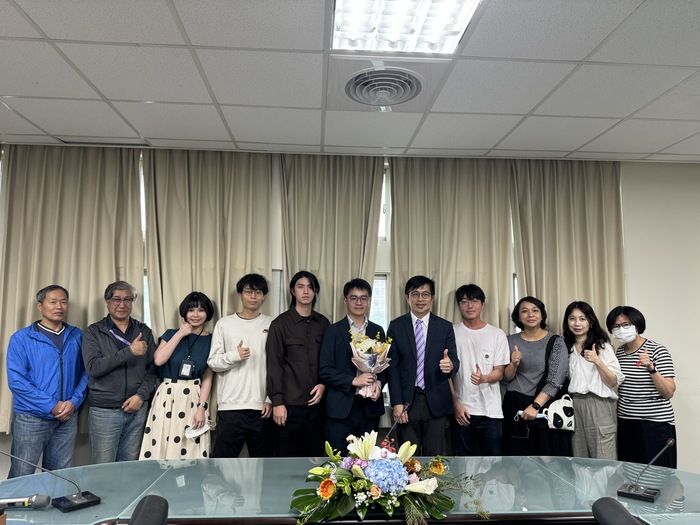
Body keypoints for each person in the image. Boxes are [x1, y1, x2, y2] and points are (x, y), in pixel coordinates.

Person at [6, 285, 88, 478]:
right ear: (40, 306)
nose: (59, 306)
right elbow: (17, 382)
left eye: (63, 301)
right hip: (31, 418)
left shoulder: (78, 336)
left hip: (67, 417)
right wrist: (51, 405)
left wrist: (73, 403)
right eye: (53, 302)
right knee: (22, 474)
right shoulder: (21, 338)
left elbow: (87, 373)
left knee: (58, 475)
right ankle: (13, 509)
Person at [82, 281, 158, 463]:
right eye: (116, 299)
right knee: (103, 466)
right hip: (104, 411)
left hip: (137, 409)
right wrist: (129, 351)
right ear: (107, 302)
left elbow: (154, 369)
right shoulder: (94, 332)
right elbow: (93, 367)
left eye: (128, 300)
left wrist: (141, 396)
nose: (122, 305)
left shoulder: (143, 331)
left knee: (129, 466)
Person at [386, 275, 459, 456]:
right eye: (415, 294)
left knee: (434, 458)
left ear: (432, 298)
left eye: (425, 294)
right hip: (406, 402)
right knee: (407, 460)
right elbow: (391, 367)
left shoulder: (444, 326)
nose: (420, 299)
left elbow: (455, 361)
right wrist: (396, 402)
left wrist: (449, 365)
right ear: (407, 297)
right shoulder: (396, 326)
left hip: (436, 401)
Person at [140, 292, 215, 459]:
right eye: (191, 310)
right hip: (167, 395)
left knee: (190, 446)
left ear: (208, 313)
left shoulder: (212, 340)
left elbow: (208, 377)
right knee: (162, 443)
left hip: (193, 397)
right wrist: (180, 333)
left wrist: (202, 407)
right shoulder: (170, 334)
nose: (195, 315)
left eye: (201, 310)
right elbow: (159, 360)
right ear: (184, 313)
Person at [208, 274, 274, 458]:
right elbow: (213, 363)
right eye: (248, 291)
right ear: (240, 295)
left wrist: (270, 398)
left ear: (264, 296)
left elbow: (277, 366)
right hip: (230, 407)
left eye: (258, 292)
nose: (253, 296)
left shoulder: (272, 324)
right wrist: (234, 356)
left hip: (262, 407)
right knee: (221, 464)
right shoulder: (224, 324)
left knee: (264, 466)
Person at [266, 271, 330, 457]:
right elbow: (274, 365)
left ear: (315, 291)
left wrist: (324, 384)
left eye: (310, 287)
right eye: (300, 287)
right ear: (293, 291)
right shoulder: (280, 324)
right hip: (288, 407)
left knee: (316, 462)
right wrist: (277, 402)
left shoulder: (324, 323)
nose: (306, 291)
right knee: (287, 461)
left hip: (318, 407)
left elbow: (329, 362)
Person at [319, 278, 387, 454]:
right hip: (341, 407)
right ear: (345, 301)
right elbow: (325, 370)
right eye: (354, 298)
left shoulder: (377, 330)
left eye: (364, 298)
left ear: (370, 301)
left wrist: (379, 383)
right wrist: (353, 380)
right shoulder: (333, 331)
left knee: (367, 462)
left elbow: (387, 366)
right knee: (339, 462)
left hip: (369, 408)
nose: (359, 302)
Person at [605, 306, 677, 468]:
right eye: (616, 326)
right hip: (626, 422)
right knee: (630, 473)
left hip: (655, 424)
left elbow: (668, 392)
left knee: (658, 475)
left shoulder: (657, 350)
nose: (621, 329)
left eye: (626, 324)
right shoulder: (619, 353)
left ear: (637, 324)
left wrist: (651, 368)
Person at [502, 296, 570, 456]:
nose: (530, 315)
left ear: (542, 315)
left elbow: (556, 379)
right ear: (518, 317)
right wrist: (513, 364)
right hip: (514, 404)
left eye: (535, 310)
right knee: (515, 459)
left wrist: (535, 406)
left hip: (544, 405)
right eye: (524, 311)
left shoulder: (557, 341)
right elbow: (506, 378)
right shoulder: (509, 340)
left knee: (544, 458)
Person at [450, 284, 509, 456]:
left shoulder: (496, 334)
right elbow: (446, 375)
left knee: (492, 465)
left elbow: (500, 372)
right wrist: (455, 404)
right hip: (462, 411)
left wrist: (484, 378)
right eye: (464, 301)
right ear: (459, 305)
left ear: (482, 304)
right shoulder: (451, 332)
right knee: (462, 465)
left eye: (474, 301)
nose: (470, 306)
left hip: (490, 412)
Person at [563, 301, 624, 460]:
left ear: (590, 322)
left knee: (603, 459)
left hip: (599, 404)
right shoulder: (567, 348)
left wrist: (597, 361)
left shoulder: (602, 346)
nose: (577, 323)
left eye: (582, 319)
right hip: (576, 405)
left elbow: (613, 382)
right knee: (580, 459)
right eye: (572, 319)